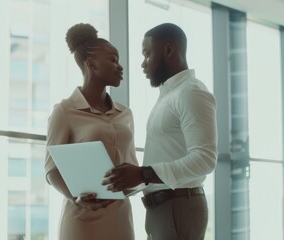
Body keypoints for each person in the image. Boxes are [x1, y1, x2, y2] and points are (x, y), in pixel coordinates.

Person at [102, 23, 217, 240]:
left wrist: (143, 174)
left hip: (178, 207)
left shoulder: (191, 92)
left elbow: (205, 159)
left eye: (147, 54)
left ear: (169, 50)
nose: (143, 64)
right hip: (164, 208)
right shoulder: (170, 95)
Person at [45, 23, 138, 240]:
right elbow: (51, 169)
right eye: (113, 60)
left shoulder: (126, 114)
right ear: (91, 64)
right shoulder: (64, 111)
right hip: (82, 218)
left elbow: (131, 164)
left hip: (120, 217)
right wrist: (74, 197)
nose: (120, 67)